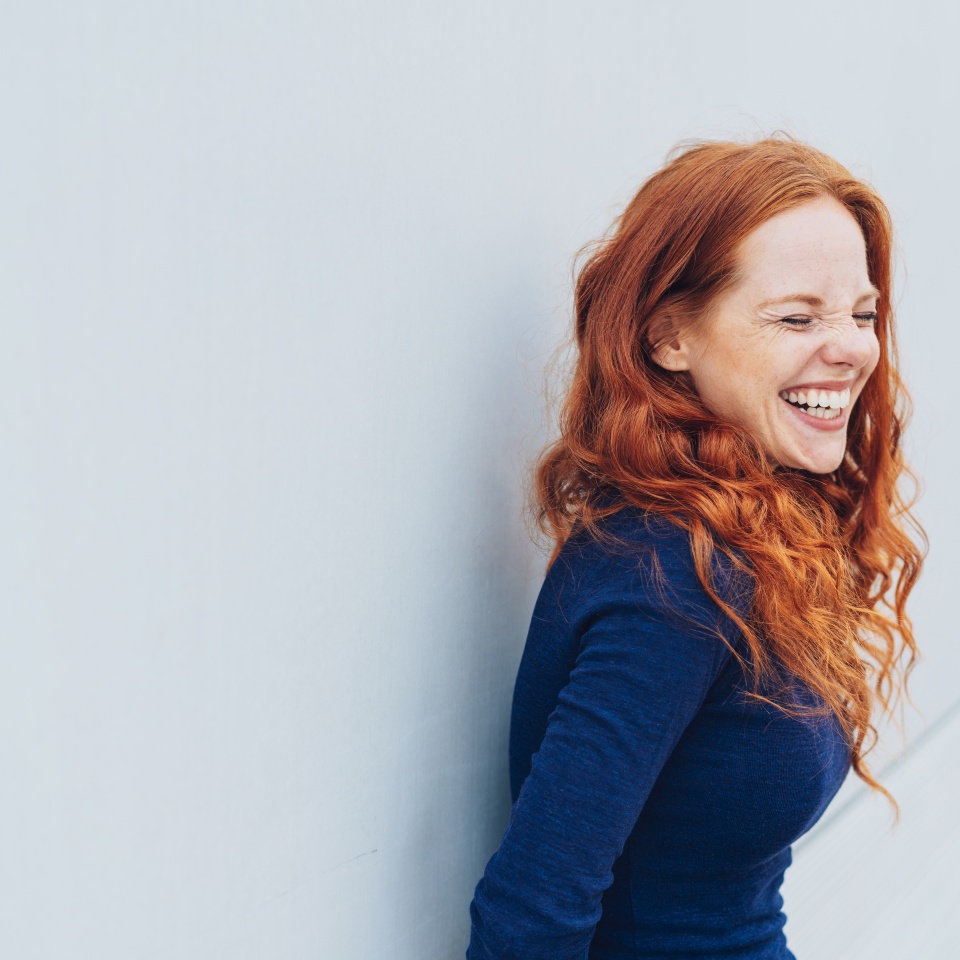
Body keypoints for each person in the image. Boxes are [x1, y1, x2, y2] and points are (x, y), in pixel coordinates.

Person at [465, 137, 926, 960]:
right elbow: (528, 915)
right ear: (669, 339)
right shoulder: (674, 573)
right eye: (797, 316)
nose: (855, 347)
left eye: (860, 314)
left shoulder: (756, 530)